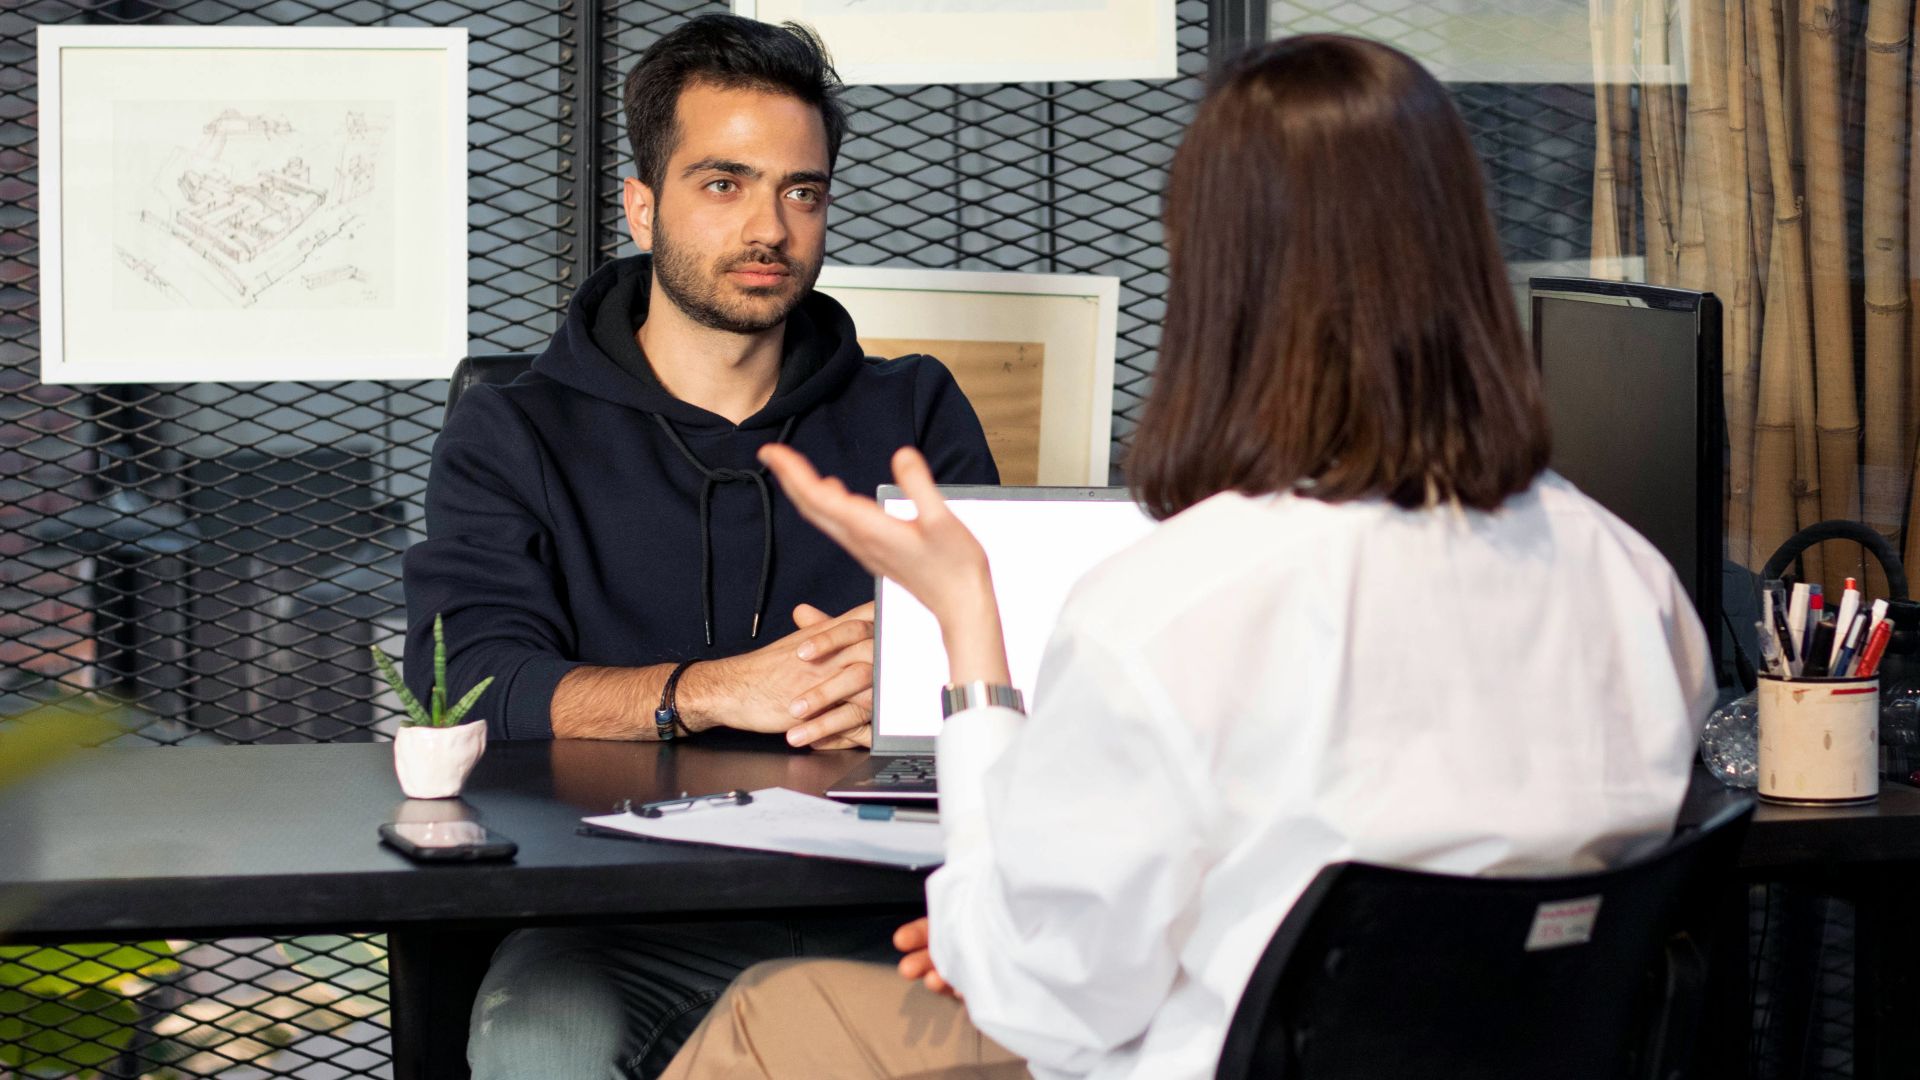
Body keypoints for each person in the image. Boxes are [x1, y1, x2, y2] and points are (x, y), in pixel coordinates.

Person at [659, 33, 1717, 1080]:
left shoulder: (1175, 606)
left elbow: (1049, 996)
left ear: (1219, 276)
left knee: (768, 1019)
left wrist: (969, 636)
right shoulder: (1629, 579)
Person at [400, 14, 998, 1077]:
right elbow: (473, 681)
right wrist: (710, 691)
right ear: (641, 205)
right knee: (543, 1042)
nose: (770, 226)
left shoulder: (917, 410)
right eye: (725, 183)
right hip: (620, 919)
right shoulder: (516, 431)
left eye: (800, 190)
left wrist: (906, 678)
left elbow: (1020, 670)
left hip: (895, 914)